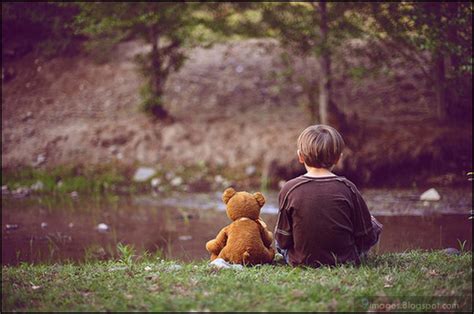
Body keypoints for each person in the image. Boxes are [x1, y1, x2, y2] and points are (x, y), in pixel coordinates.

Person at [274, 124, 382, 267]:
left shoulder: (289, 188)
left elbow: (282, 240)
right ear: (338, 158)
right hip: (344, 260)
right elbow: (365, 235)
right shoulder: (348, 187)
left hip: (301, 261)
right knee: (372, 223)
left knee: (278, 235)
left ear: (300, 156)